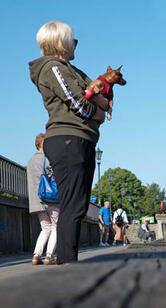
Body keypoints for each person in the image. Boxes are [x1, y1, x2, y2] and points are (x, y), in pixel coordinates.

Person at [30, 21, 108, 264]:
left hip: (80, 139)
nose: (76, 44)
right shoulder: (53, 68)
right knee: (73, 206)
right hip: (68, 139)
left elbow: (101, 97)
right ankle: (67, 264)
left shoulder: (71, 69)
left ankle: (67, 262)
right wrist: (99, 112)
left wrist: (100, 105)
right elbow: (78, 102)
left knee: (77, 205)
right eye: (72, 40)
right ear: (61, 44)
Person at [26, 133, 59, 265]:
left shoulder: (30, 161)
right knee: (56, 226)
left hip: (36, 200)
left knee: (45, 228)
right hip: (49, 198)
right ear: (43, 144)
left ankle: (36, 255)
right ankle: (50, 255)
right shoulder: (47, 159)